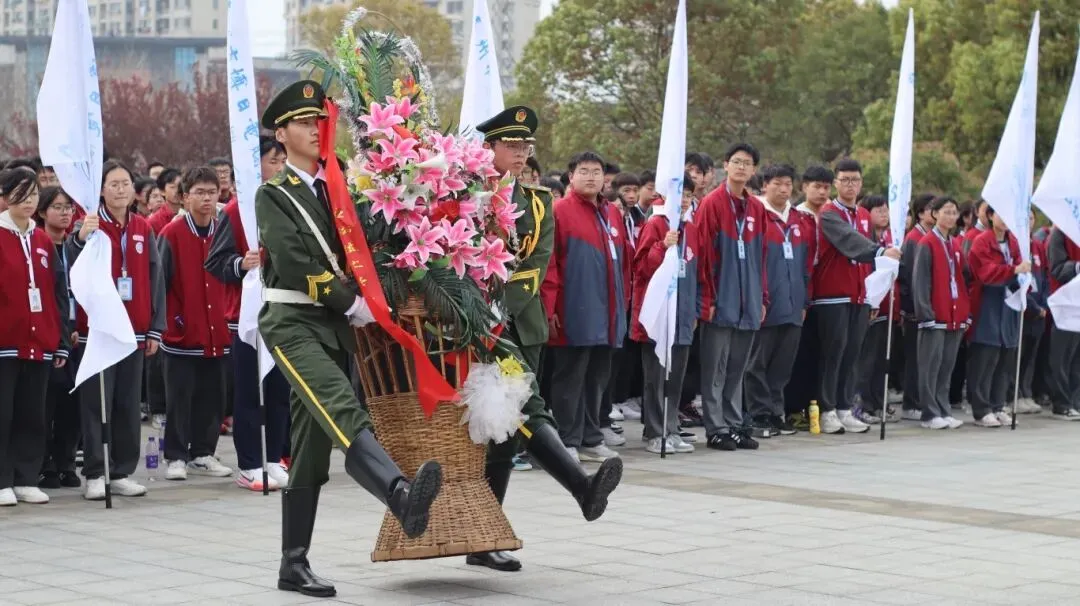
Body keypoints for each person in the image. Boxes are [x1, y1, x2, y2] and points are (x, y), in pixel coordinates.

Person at [256, 80, 443, 598]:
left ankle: (293, 564)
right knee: (341, 407)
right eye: (303, 123)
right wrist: (348, 302)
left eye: (319, 121)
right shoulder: (274, 195)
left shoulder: (339, 189)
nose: (315, 130)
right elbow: (295, 263)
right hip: (293, 323)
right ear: (281, 134)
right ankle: (399, 493)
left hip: (335, 329)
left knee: (310, 449)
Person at [467, 107, 624, 573]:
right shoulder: (463, 195)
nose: (520, 154)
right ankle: (580, 487)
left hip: (519, 323)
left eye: (525, 147)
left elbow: (536, 263)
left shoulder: (537, 203)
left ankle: (485, 539)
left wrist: (501, 308)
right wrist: (478, 311)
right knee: (525, 409)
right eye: (511, 145)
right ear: (489, 149)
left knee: (506, 432)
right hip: (475, 325)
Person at [69, 160, 164, 500]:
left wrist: (155, 328)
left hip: (134, 331)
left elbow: (155, 277)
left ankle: (121, 470)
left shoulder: (142, 227)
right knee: (97, 403)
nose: (121, 189)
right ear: (101, 190)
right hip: (99, 330)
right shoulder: (90, 225)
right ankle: (97, 472)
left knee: (127, 404)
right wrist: (81, 236)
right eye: (114, 184)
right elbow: (73, 260)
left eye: (125, 183)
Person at [206, 135, 292, 491]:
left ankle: (274, 458)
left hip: (283, 310)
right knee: (249, 392)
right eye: (274, 161)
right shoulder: (236, 211)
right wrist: (241, 264)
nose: (281, 167)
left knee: (279, 390)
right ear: (256, 165)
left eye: (283, 160)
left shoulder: (288, 202)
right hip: (246, 317)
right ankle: (249, 463)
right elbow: (215, 261)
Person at [542, 151, 628, 463]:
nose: (591, 177)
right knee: (570, 377)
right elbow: (549, 263)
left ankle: (592, 437)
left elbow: (624, 264)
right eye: (584, 171)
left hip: (609, 312)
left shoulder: (612, 213)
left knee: (597, 377)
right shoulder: (559, 211)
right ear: (571, 176)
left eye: (596, 171)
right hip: (574, 309)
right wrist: (550, 308)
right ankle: (568, 439)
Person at [811, 159, 901, 434]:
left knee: (852, 354)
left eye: (855, 180)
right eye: (845, 180)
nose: (850, 185)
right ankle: (826, 410)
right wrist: (880, 251)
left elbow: (868, 260)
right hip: (832, 294)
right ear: (836, 184)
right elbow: (850, 241)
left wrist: (872, 295)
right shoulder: (829, 213)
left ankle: (844, 408)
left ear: (861, 184)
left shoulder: (863, 214)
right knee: (833, 353)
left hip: (859, 295)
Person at [0, 167, 71, 506]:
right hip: (5, 342)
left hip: (39, 342)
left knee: (33, 413)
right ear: (5, 196)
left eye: (32, 195)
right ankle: (2, 479)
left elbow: (58, 293)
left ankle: (26, 477)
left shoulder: (42, 240)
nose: (28, 202)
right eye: (20, 194)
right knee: (3, 412)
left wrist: (60, 341)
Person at [157, 167, 233, 481]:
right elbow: (159, 283)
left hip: (218, 331)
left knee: (213, 398)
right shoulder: (171, 234)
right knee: (179, 399)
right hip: (181, 334)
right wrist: (168, 322)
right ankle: (175, 456)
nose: (206, 199)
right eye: (199, 193)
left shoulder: (224, 232)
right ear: (185, 197)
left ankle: (203, 453)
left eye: (211, 192)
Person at [695, 143, 767, 451]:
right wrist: (707, 299)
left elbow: (762, 256)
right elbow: (702, 255)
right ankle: (716, 427)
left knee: (737, 368)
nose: (741, 167)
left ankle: (734, 424)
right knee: (716, 368)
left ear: (753, 170)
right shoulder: (712, 203)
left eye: (747, 163)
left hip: (748, 299)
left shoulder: (757, 208)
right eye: (736, 161)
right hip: (720, 298)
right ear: (725, 165)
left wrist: (762, 298)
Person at [631, 173, 698, 454]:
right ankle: (654, 432)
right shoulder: (656, 224)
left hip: (683, 315)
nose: (683, 200)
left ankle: (671, 428)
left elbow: (696, 271)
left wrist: (694, 310)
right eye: (679, 194)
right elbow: (641, 267)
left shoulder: (691, 227)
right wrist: (663, 246)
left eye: (688, 195)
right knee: (656, 377)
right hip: (659, 316)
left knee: (676, 377)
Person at [744, 164, 812, 436]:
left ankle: (775, 412)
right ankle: (758, 413)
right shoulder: (756, 215)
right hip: (766, 304)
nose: (784, 189)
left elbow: (806, 266)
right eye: (777, 184)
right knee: (757, 363)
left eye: (788, 184)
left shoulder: (799, 219)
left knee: (782, 365)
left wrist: (804, 301)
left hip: (793, 305)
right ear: (765, 185)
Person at [35, 187, 82, 490]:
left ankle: (66, 462)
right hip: (49, 334)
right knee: (45, 404)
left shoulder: (76, 247)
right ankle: (45, 464)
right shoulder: (37, 245)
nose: (65, 213)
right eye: (57, 207)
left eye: (68, 207)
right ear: (42, 212)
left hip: (78, 332)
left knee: (72, 402)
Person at [966, 205, 1027, 428]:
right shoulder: (981, 242)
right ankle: (981, 410)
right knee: (985, 358)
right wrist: (1013, 271)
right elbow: (985, 273)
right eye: (1000, 214)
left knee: (1005, 358)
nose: (1005, 220)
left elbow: (1024, 268)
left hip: (1009, 305)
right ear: (990, 216)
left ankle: (998, 405)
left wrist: (1023, 280)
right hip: (988, 304)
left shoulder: (1015, 242)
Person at [911, 196, 967, 430]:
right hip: (934, 316)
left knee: (946, 367)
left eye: (954, 212)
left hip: (954, 315)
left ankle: (943, 409)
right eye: (946, 212)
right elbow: (920, 281)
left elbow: (962, 279)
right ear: (934, 214)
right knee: (930, 368)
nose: (951, 217)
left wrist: (964, 312)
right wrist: (925, 313)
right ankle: (929, 413)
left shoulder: (954, 244)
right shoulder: (927, 243)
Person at [784, 165, 833, 424]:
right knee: (798, 354)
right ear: (804, 187)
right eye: (817, 186)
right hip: (800, 291)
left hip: (824, 292)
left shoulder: (831, 216)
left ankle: (812, 407)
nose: (822, 192)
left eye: (826, 187)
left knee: (818, 353)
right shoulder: (796, 216)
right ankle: (792, 407)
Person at [855, 194, 900, 424]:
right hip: (871, 305)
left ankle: (879, 402)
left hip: (889, 306)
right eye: (878, 210)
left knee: (882, 360)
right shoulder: (865, 241)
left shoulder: (891, 238)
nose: (884, 214)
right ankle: (863, 405)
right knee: (867, 359)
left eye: (886, 209)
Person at [898, 193, 938, 420]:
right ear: (921, 212)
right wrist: (916, 306)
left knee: (927, 359)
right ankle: (910, 402)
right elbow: (911, 276)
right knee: (914, 358)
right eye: (932, 208)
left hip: (931, 306)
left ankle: (922, 401)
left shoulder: (934, 236)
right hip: (916, 309)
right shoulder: (914, 238)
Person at [1045, 225, 1080, 420]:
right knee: (1061, 357)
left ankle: (1076, 401)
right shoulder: (1060, 232)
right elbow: (1057, 269)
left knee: (1077, 358)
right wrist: (1077, 267)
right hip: (1065, 304)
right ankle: (1061, 403)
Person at [148, 168, 182, 234]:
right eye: (172, 187)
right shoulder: (154, 221)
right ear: (162, 191)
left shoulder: (192, 214)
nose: (177, 191)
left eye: (180, 186)